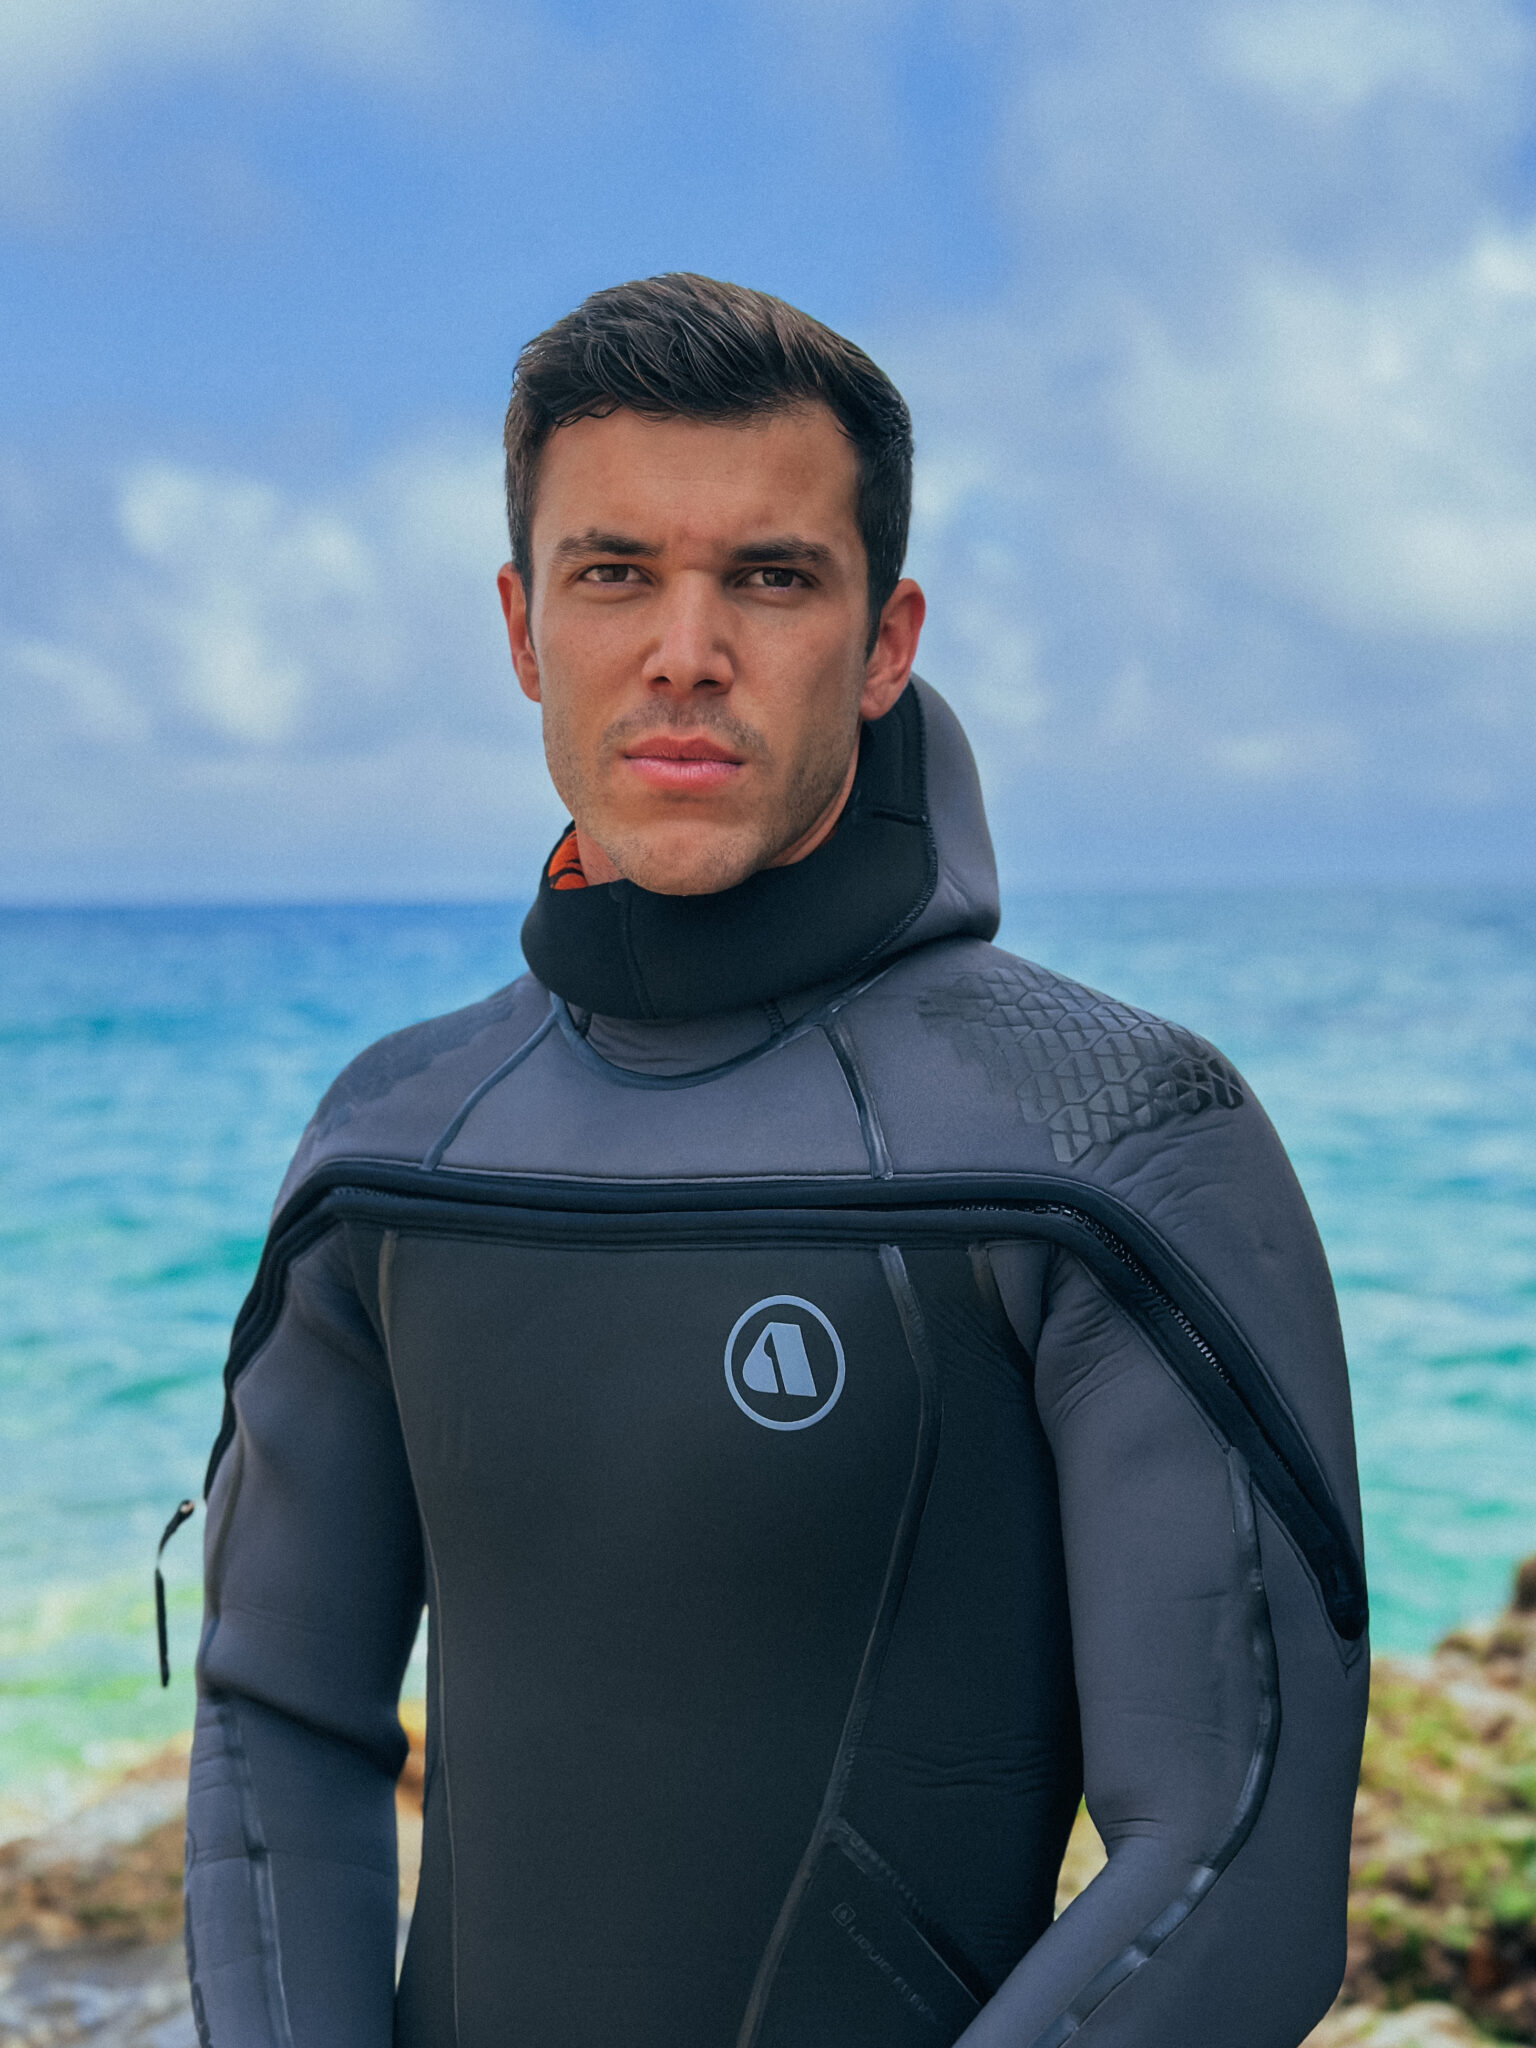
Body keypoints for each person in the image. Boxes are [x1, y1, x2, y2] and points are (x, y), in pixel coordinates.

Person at [183, 273, 1368, 2048]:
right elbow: (274, 1728)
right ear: (522, 629)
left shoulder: (1110, 1143)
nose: (686, 650)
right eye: (613, 573)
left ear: (885, 641)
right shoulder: (390, 1147)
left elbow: (1234, 1859)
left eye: (770, 576)